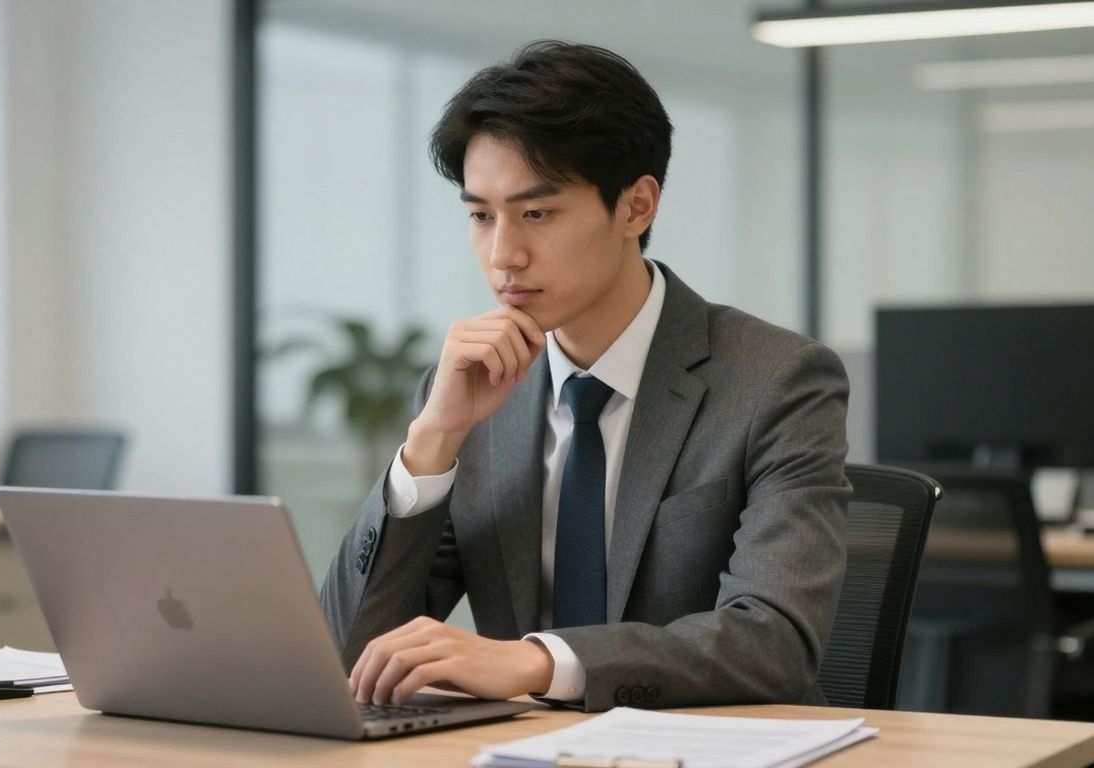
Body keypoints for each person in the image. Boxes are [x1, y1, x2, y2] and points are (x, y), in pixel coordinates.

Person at [320, 40, 850, 712]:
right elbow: (348, 648)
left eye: (536, 214)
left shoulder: (777, 381)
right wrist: (433, 440)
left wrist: (537, 661)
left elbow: (773, 643)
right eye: (481, 216)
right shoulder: (469, 393)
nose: (502, 254)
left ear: (636, 207)